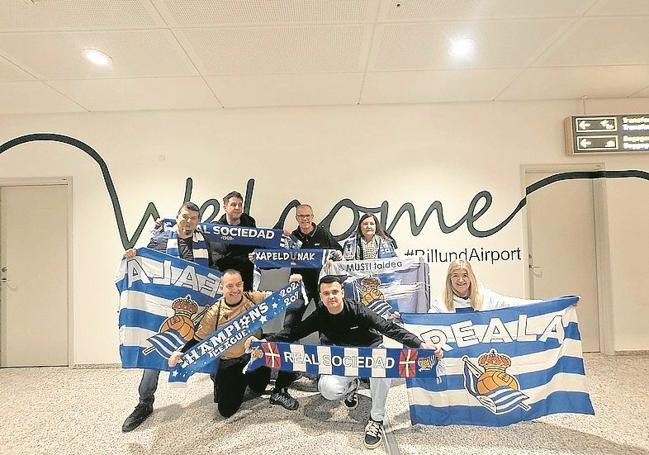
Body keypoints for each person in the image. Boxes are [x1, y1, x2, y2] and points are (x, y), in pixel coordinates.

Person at [247, 275, 442, 450]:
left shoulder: (359, 310)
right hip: (342, 360)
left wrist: (420, 344)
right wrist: (266, 342)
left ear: (342, 292)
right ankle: (352, 387)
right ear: (321, 297)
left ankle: (377, 419)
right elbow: (293, 333)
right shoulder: (320, 315)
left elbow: (389, 328)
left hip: (370, 354)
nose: (331, 296)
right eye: (326, 293)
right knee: (327, 389)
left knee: (383, 370)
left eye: (334, 292)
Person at [122, 201, 217, 432]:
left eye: (193, 218)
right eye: (185, 217)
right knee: (154, 357)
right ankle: (145, 403)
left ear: (197, 221)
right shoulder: (162, 239)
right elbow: (147, 263)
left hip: (197, 309)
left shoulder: (204, 242)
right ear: (177, 217)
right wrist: (134, 255)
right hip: (166, 308)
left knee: (209, 350)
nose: (189, 222)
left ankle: (224, 393)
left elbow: (211, 271)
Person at [168, 269, 299, 418]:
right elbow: (198, 339)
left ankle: (270, 382)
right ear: (221, 287)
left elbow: (280, 297)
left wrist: (293, 284)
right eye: (230, 286)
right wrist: (181, 353)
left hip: (255, 355)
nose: (235, 289)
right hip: (230, 361)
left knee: (260, 386)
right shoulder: (213, 313)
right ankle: (225, 379)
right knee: (226, 411)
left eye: (238, 284)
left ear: (243, 285)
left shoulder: (252, 297)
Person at [283, 204, 343, 330]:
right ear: (296, 218)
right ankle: (288, 346)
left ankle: (328, 347)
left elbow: (339, 252)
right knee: (289, 322)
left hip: (322, 284)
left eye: (307, 216)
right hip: (300, 285)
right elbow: (278, 257)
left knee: (327, 321)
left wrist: (333, 259)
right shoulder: (291, 237)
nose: (304, 219)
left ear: (312, 217)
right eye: (301, 216)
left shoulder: (323, 233)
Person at [430, 259, 541, 313]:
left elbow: (510, 303)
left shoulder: (484, 297)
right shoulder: (440, 303)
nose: (460, 280)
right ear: (449, 279)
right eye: (455, 276)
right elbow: (426, 324)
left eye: (465, 275)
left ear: (471, 277)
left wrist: (541, 304)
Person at [211, 191, 257, 291]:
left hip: (245, 282)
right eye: (233, 204)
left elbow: (260, 251)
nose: (237, 208)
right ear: (225, 207)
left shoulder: (252, 229)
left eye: (240, 205)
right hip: (224, 282)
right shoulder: (215, 230)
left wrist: (281, 236)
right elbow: (216, 258)